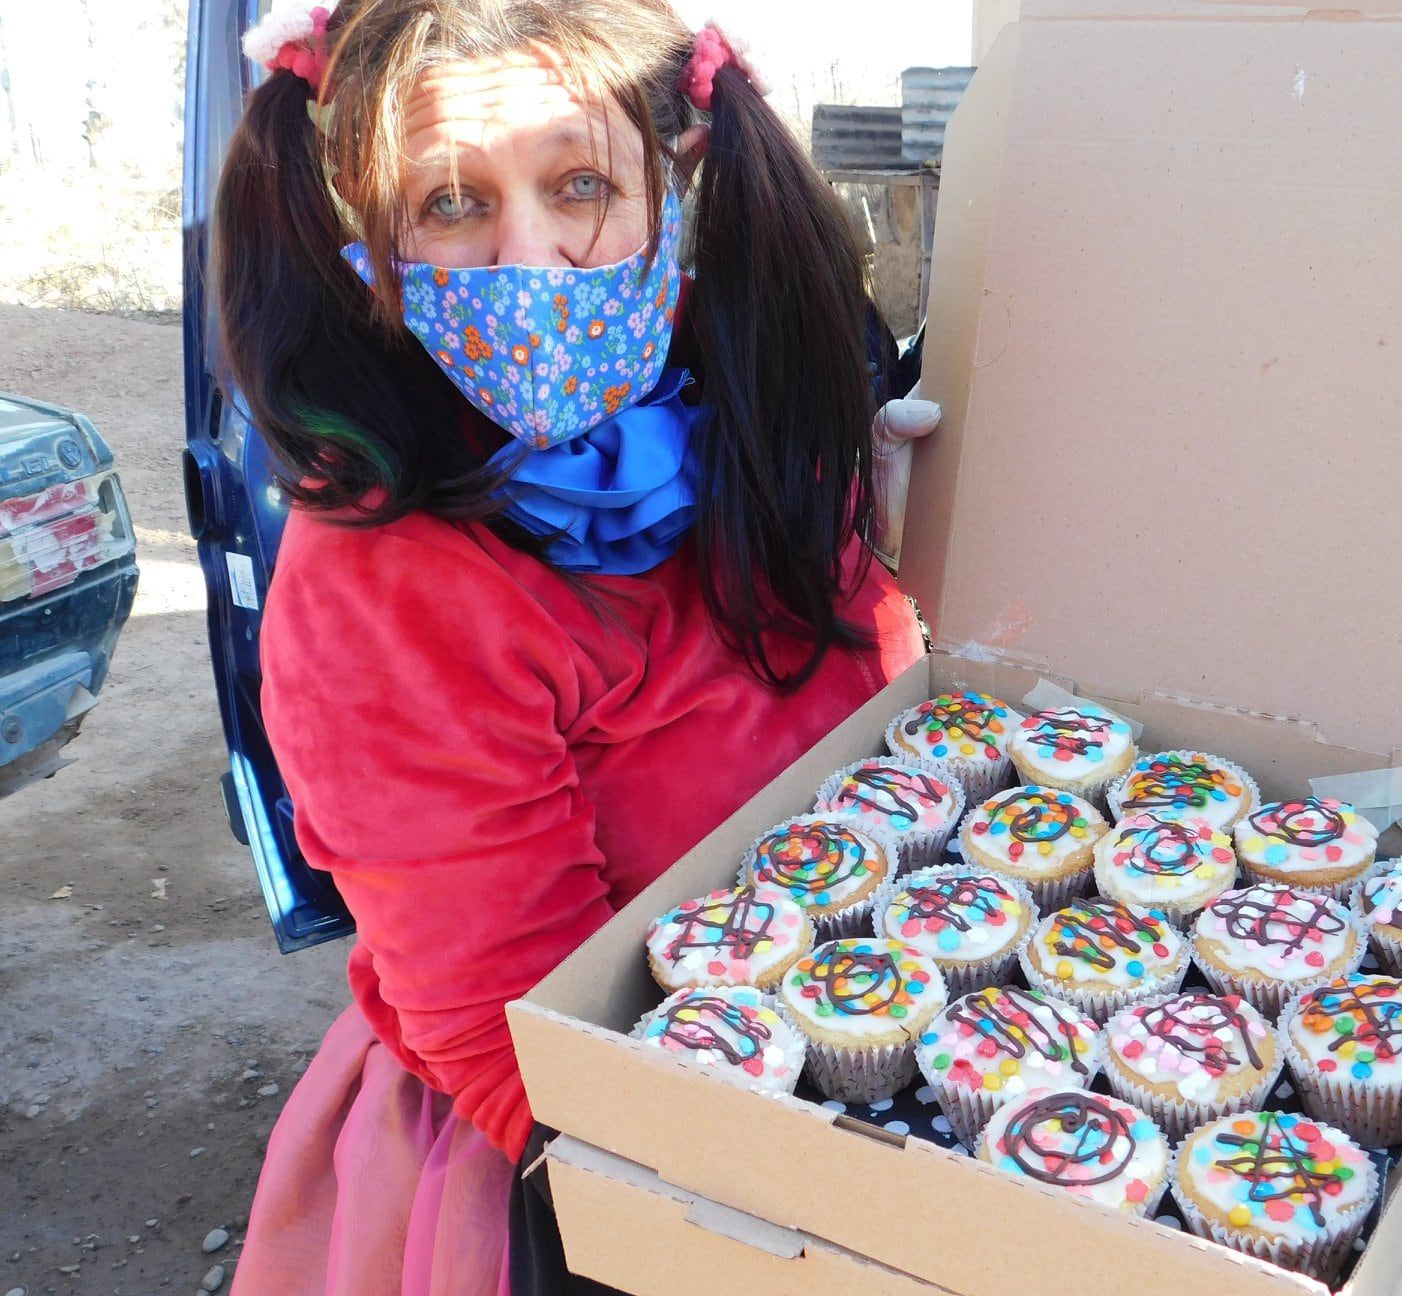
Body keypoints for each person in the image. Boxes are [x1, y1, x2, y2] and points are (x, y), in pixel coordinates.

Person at [215, 3, 936, 1292]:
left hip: (863, 1017)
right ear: (371, 235)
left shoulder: (749, 402)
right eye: (450, 205)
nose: (532, 263)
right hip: (600, 1157)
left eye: (581, 184)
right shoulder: (386, 580)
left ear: (675, 179)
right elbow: (516, 1043)